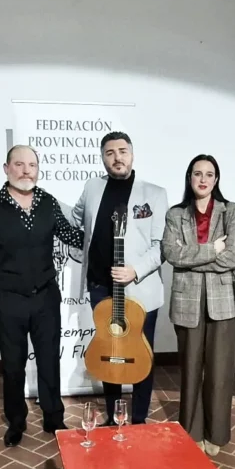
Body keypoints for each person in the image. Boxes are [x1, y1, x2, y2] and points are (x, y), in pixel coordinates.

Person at [0, 145, 84, 447]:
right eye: (19, 164)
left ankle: (53, 417)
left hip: (46, 297)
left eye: (31, 164)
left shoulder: (48, 202)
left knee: (48, 361)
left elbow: (71, 236)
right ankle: (16, 421)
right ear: (6, 168)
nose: (26, 170)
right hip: (9, 300)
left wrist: (102, 231)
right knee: (13, 364)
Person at [73, 132, 167, 425]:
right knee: (109, 351)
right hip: (100, 287)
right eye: (110, 152)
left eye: (122, 151)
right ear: (103, 158)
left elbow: (161, 244)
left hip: (140, 290)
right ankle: (115, 415)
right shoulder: (92, 187)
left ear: (132, 154)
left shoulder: (154, 193)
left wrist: (135, 270)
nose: (117, 157)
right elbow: (77, 218)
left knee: (140, 354)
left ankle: (138, 418)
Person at [161, 154, 235, 455]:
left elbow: (233, 256)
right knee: (190, 370)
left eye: (209, 174)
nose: (203, 179)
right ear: (189, 178)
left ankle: (216, 434)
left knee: (220, 372)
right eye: (197, 173)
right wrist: (212, 249)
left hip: (222, 303)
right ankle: (191, 432)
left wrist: (194, 257)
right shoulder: (175, 214)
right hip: (187, 303)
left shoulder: (231, 211)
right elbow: (172, 254)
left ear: (217, 179)